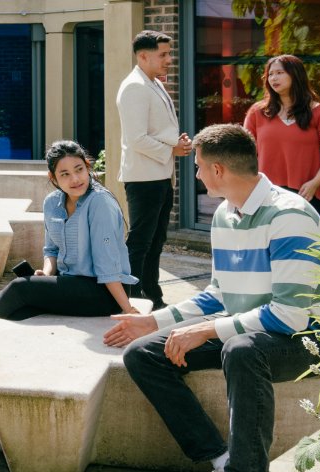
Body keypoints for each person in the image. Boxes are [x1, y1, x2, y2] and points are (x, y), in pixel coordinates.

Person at [104, 124, 320, 472]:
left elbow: (291, 315)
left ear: (218, 171)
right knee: (144, 354)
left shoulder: (289, 216)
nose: (196, 175)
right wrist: (153, 321)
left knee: (240, 349)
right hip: (251, 331)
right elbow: (217, 294)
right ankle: (221, 459)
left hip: (309, 340)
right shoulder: (225, 215)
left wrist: (207, 331)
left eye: (198, 167)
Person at [0, 141, 139, 320]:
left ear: (87, 167)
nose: (75, 179)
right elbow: (51, 249)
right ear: (53, 177)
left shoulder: (99, 202)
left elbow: (107, 264)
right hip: (69, 283)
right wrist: (46, 274)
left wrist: (127, 308)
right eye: (65, 174)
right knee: (18, 313)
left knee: (19, 288)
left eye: (79, 169)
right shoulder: (51, 202)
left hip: (104, 291)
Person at [117, 30, 191, 311]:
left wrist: (176, 141)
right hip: (143, 177)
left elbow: (155, 130)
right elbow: (136, 138)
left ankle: (151, 293)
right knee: (141, 241)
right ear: (143, 55)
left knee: (156, 239)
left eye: (169, 54)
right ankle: (132, 297)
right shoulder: (134, 86)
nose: (169, 60)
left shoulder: (152, 82)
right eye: (163, 54)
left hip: (159, 174)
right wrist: (172, 149)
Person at [242, 55, 320, 219]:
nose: (274, 78)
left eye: (280, 72)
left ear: (295, 75)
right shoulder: (257, 112)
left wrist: (314, 184)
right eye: (270, 74)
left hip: (306, 193)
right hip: (266, 193)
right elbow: (244, 154)